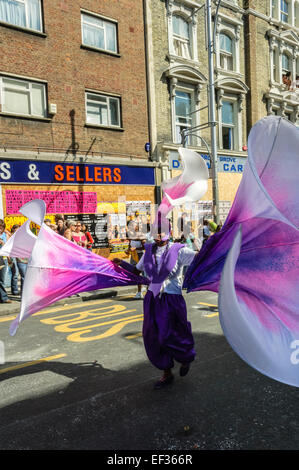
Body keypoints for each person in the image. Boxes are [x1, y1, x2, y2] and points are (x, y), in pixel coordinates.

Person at [113, 216, 198, 389]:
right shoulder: (149, 251)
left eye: (161, 231)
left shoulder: (179, 250)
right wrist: (120, 263)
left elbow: (200, 259)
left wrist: (210, 244)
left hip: (172, 300)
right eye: (155, 232)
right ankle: (166, 372)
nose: (158, 235)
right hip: (152, 300)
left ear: (169, 233)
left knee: (174, 333)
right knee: (153, 337)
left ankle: (185, 358)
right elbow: (137, 271)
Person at [0, 220, 12, 303]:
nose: (0, 230)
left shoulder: (5, 235)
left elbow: (8, 247)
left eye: (1, 228)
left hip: (3, 259)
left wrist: (8, 258)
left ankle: (3, 297)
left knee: (2, 280)